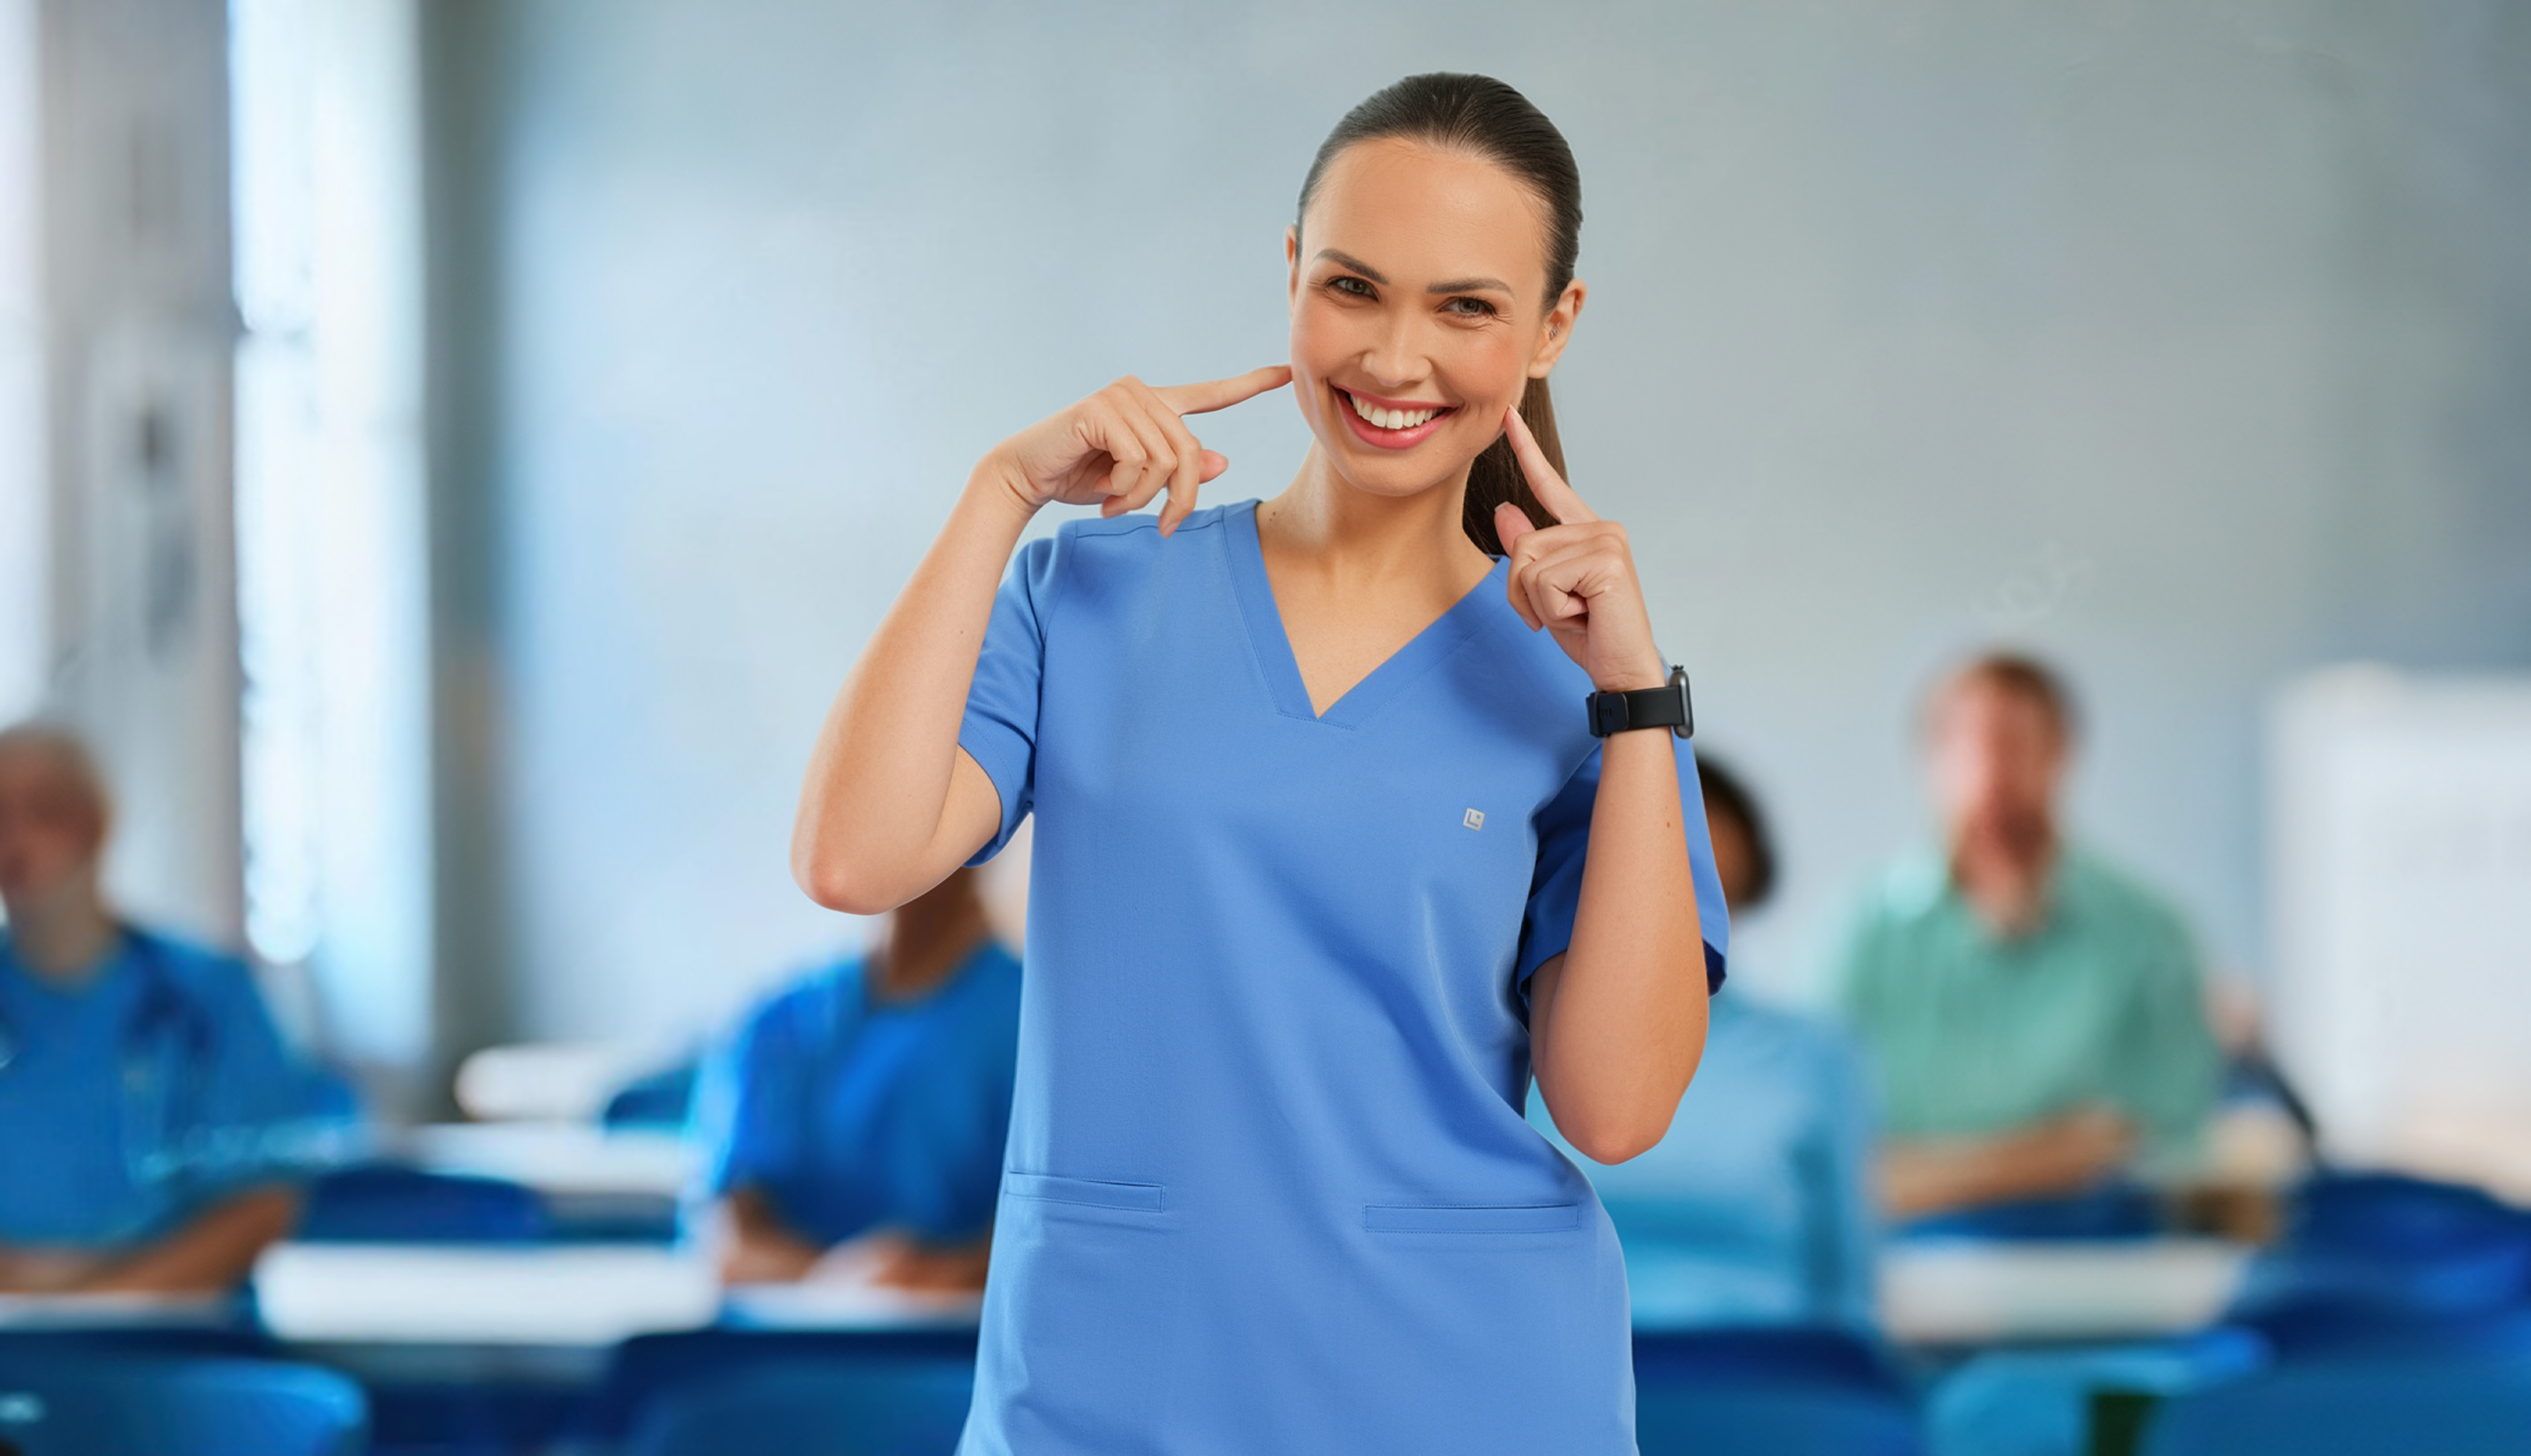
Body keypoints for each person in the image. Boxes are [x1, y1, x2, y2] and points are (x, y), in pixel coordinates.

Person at [790, 74, 1726, 1454]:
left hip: (1467, 1390)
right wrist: (1001, 493)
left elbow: (1619, 1106)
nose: (1397, 359)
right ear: (1292, 275)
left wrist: (1640, 703)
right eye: (1354, 287)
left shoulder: (1584, 682)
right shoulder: (1090, 595)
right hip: (1111, 1379)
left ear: (1553, 328)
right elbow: (852, 858)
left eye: (1466, 307)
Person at [1824, 653, 2224, 1225]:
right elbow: (1834, 1148)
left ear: (2062, 756)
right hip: (1911, 1265)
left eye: (2015, 743)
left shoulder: (2150, 936)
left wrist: (1920, 1177)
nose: (1991, 773)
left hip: (2101, 1259)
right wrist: (2057, 1154)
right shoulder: (1863, 933)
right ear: (1929, 762)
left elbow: (2161, 1137)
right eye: (1967, 745)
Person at [0, 721, 347, 1294]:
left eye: (45, 812)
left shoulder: (209, 998)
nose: (16, 840)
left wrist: (100, 1303)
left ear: (95, 827)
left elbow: (266, 1200)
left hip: (177, 1344)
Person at [1529, 754, 1874, 1328]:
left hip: (1758, 1375)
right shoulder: (1515, 1059)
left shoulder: (1815, 1057)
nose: (1662, 848)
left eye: (1689, 819)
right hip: (1559, 1363)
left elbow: (1848, 1285)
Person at [688, 865, 1020, 1292]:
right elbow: (727, 1240)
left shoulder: (1032, 1028)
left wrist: (930, 1280)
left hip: (950, 1351)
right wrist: (837, 1280)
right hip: (777, 1346)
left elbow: (1047, 1250)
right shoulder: (777, 1026)